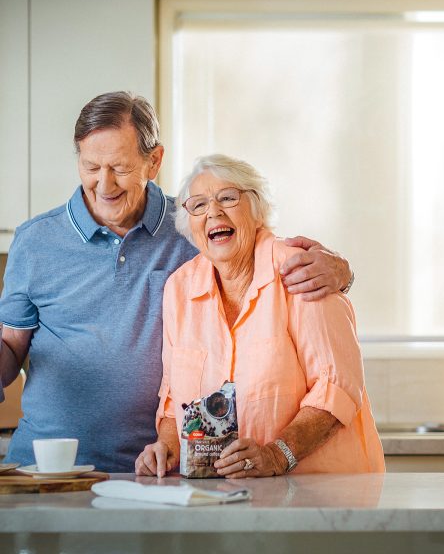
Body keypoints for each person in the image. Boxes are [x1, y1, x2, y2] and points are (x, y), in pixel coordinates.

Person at [0, 92, 353, 472]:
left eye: (118, 167)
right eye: (91, 167)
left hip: (157, 467)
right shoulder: (35, 241)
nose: (104, 184)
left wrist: (343, 272)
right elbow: (10, 346)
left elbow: (263, 260)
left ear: (154, 161)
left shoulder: (193, 225)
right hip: (47, 465)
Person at [135, 154, 384, 478]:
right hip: (225, 499)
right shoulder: (180, 289)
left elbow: (337, 389)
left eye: (227, 198)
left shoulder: (301, 270)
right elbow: (174, 401)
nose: (213, 212)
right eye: (198, 205)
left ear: (257, 210)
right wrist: (167, 448)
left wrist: (278, 454)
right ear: (189, 225)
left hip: (321, 495)